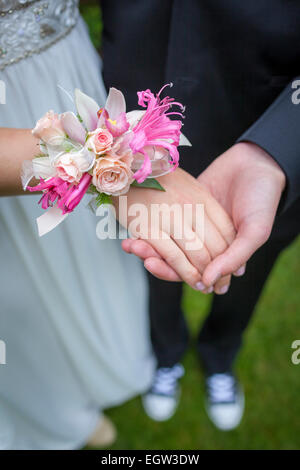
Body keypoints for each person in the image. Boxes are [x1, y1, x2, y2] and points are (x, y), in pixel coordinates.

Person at [0, 0, 237, 448]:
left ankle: (93, 376)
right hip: (22, 141)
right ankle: (57, 413)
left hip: (72, 80)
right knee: (17, 301)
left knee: (96, 269)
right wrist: (114, 173)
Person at [100, 0, 300, 430]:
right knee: (153, 261)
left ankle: (220, 355)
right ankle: (166, 352)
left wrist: (280, 144)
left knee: (248, 265)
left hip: (261, 109)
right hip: (133, 120)